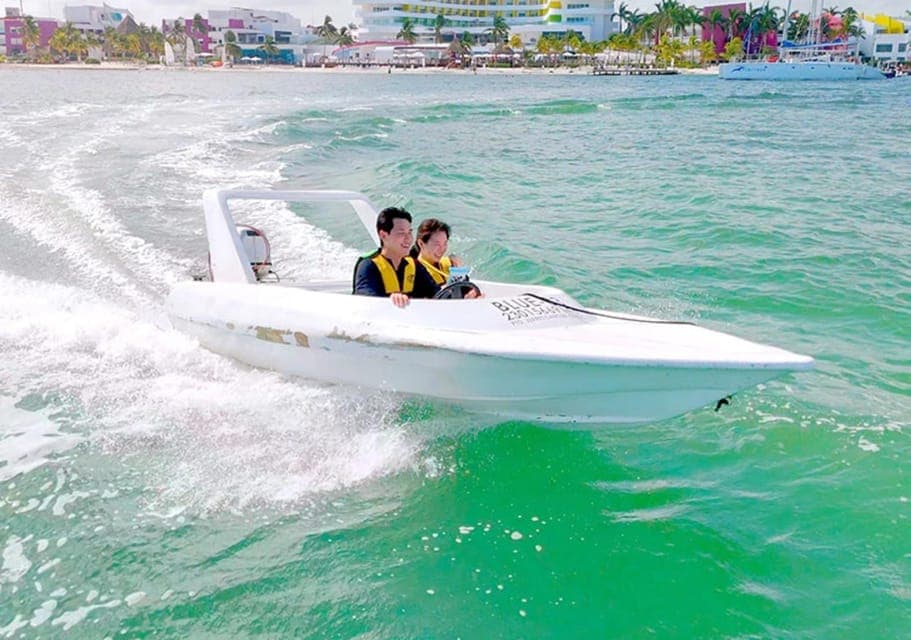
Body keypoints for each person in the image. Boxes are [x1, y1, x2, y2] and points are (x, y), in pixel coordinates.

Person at [353, 207, 439, 308]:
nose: (408, 239)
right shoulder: (368, 266)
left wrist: (458, 293)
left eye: (410, 232)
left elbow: (437, 294)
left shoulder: (414, 265)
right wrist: (391, 300)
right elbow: (365, 300)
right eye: (401, 233)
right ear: (383, 235)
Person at [412, 217, 482, 298]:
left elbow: (467, 290)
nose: (442, 249)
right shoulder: (415, 273)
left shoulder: (450, 264)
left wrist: (471, 293)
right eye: (437, 244)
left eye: (445, 243)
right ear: (421, 243)